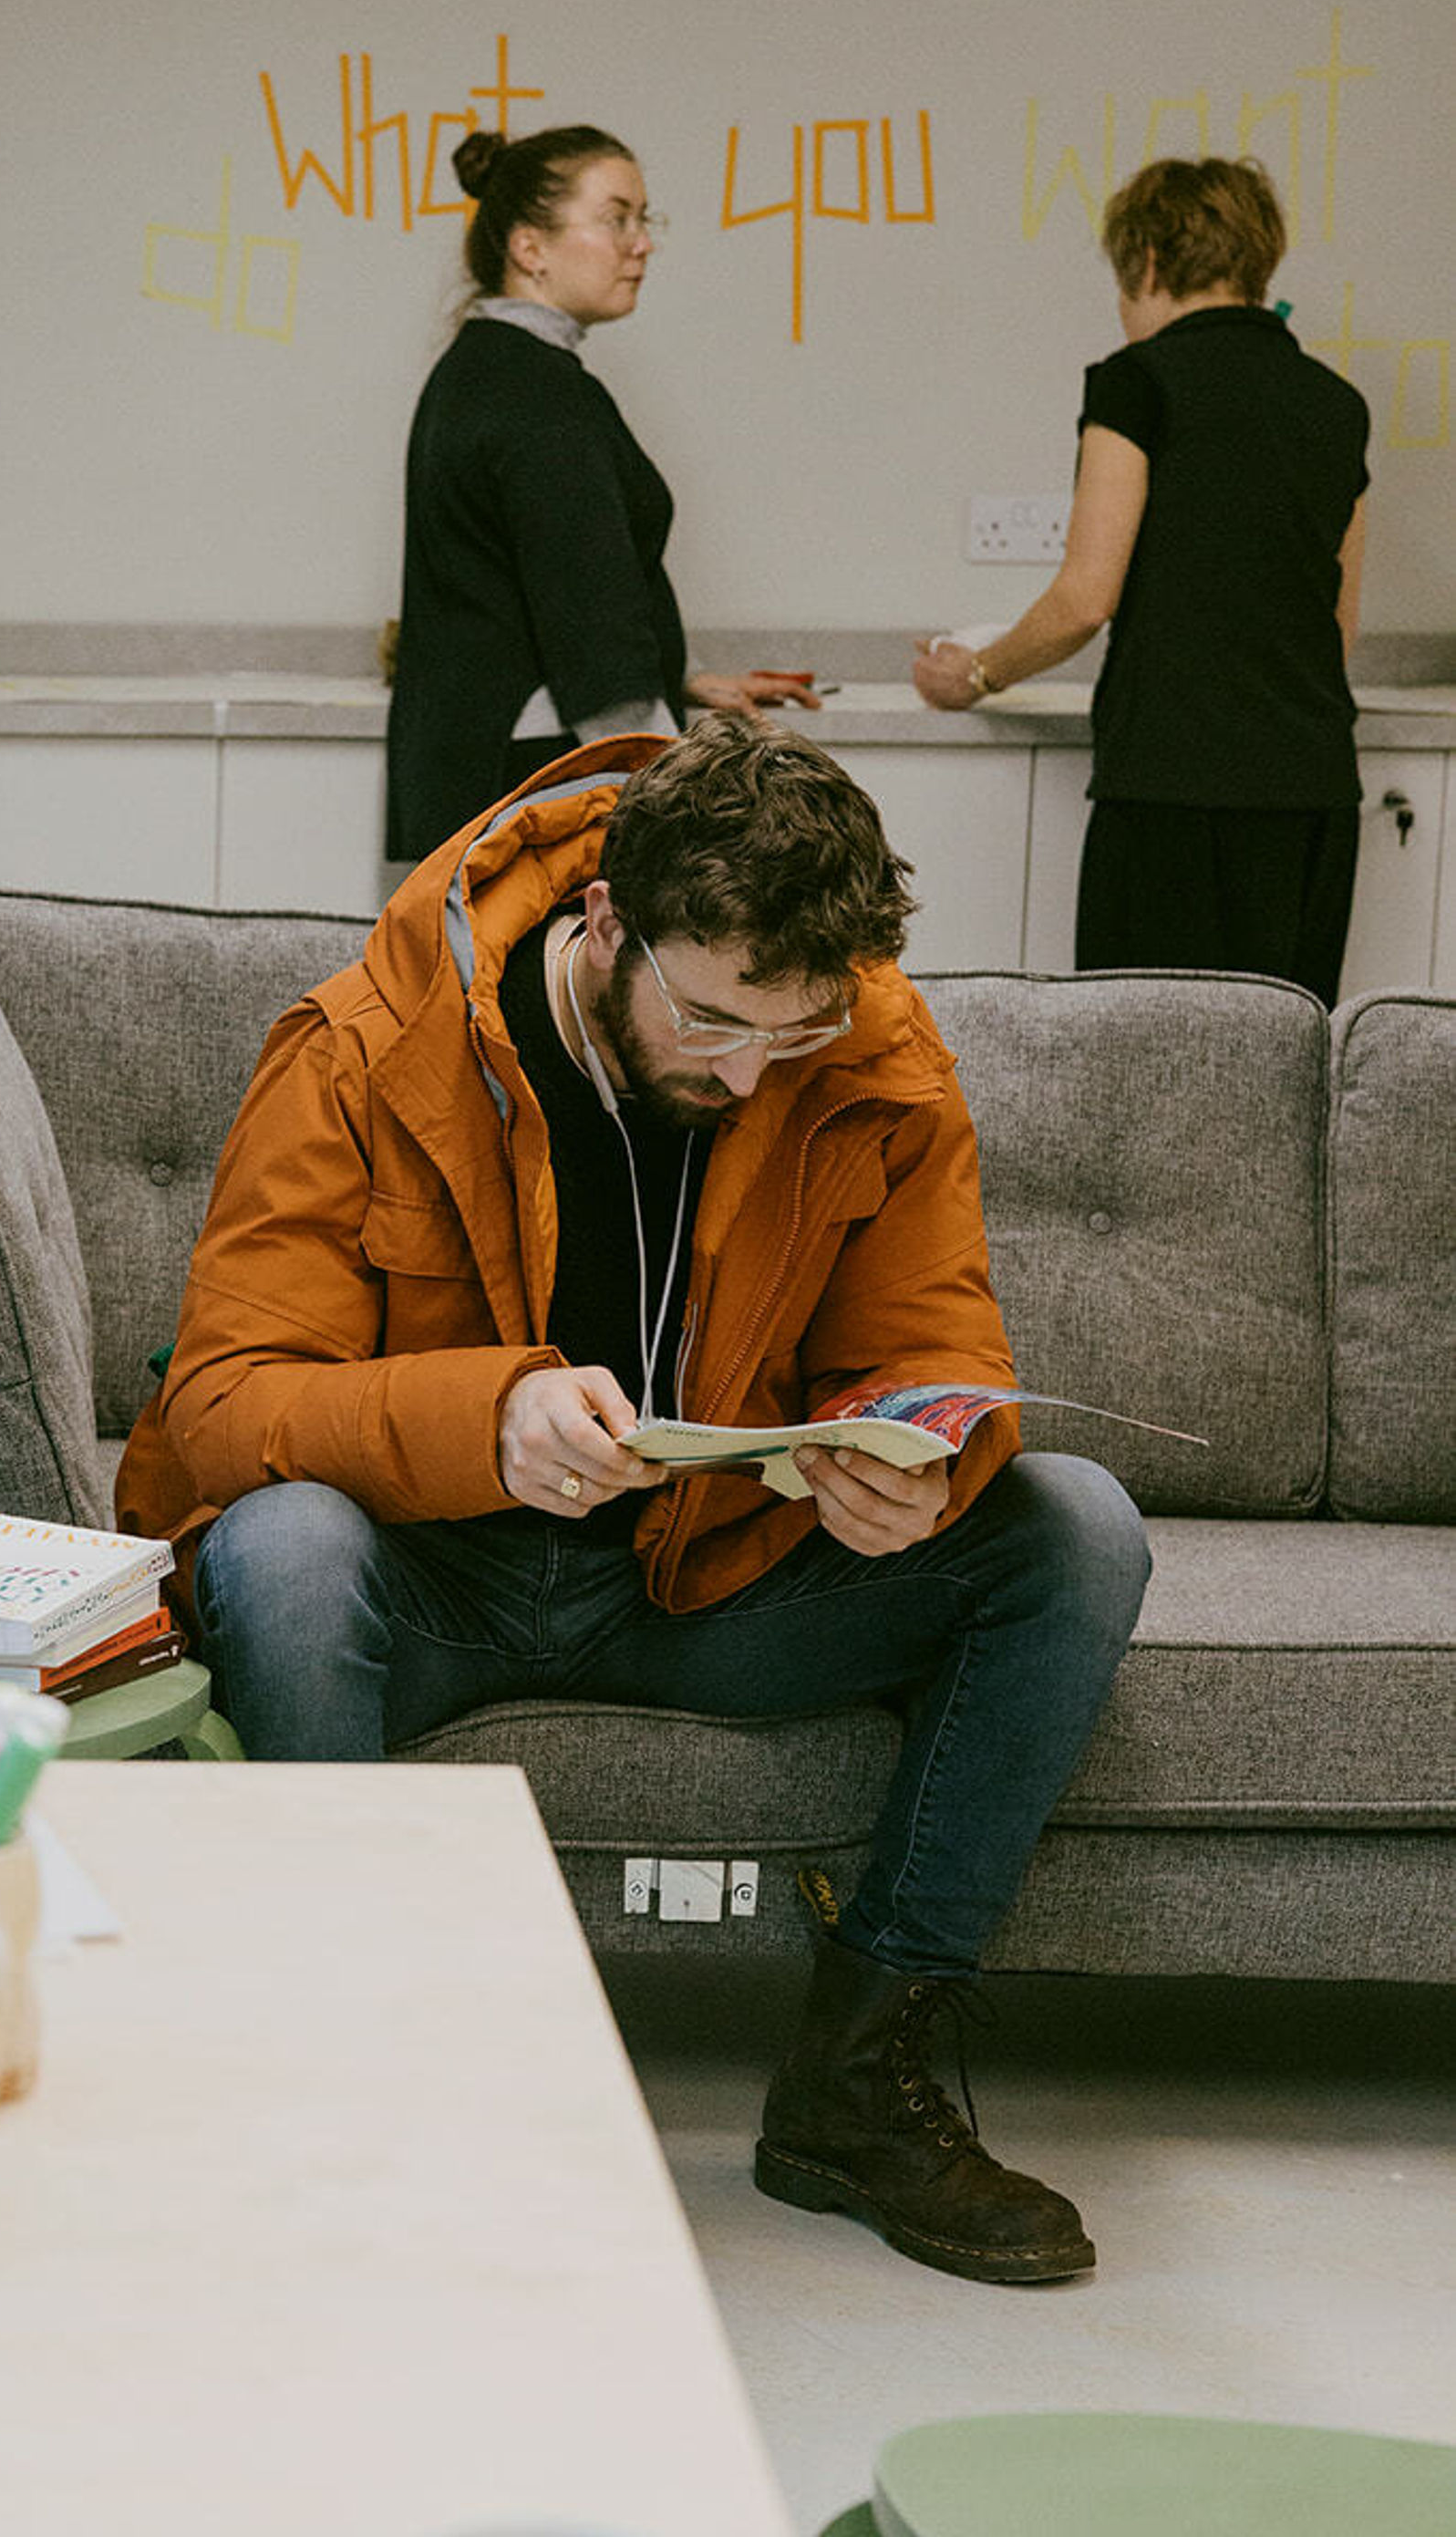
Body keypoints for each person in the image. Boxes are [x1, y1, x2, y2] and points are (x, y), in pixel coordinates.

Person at [117, 716, 1151, 2287]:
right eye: (715, 1016)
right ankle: (348, 2087)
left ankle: (852, 2084)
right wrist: (493, 1413)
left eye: (791, 1032)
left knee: (1076, 1530)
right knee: (281, 1542)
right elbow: (223, 1401)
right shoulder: (364, 1043)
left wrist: (906, 1459)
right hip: (427, 1581)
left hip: (698, 1580)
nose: (747, 1072)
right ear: (604, 919)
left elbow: (928, 1341)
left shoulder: (872, 1055)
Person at [914, 154, 1369, 1003]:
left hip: (1171, 790)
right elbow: (1336, 624)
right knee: (1283, 1067)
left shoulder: (1136, 383)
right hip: (1313, 795)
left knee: (1142, 1070)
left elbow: (1086, 597)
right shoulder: (1337, 405)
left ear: (1150, 263)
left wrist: (972, 673)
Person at [384, 122, 820, 865]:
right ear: (530, 247)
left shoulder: (479, 368)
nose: (640, 242)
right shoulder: (538, 393)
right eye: (616, 218)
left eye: (643, 220)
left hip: (474, 775)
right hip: (536, 785)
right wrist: (683, 793)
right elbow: (589, 621)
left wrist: (676, 681)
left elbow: (521, 590)